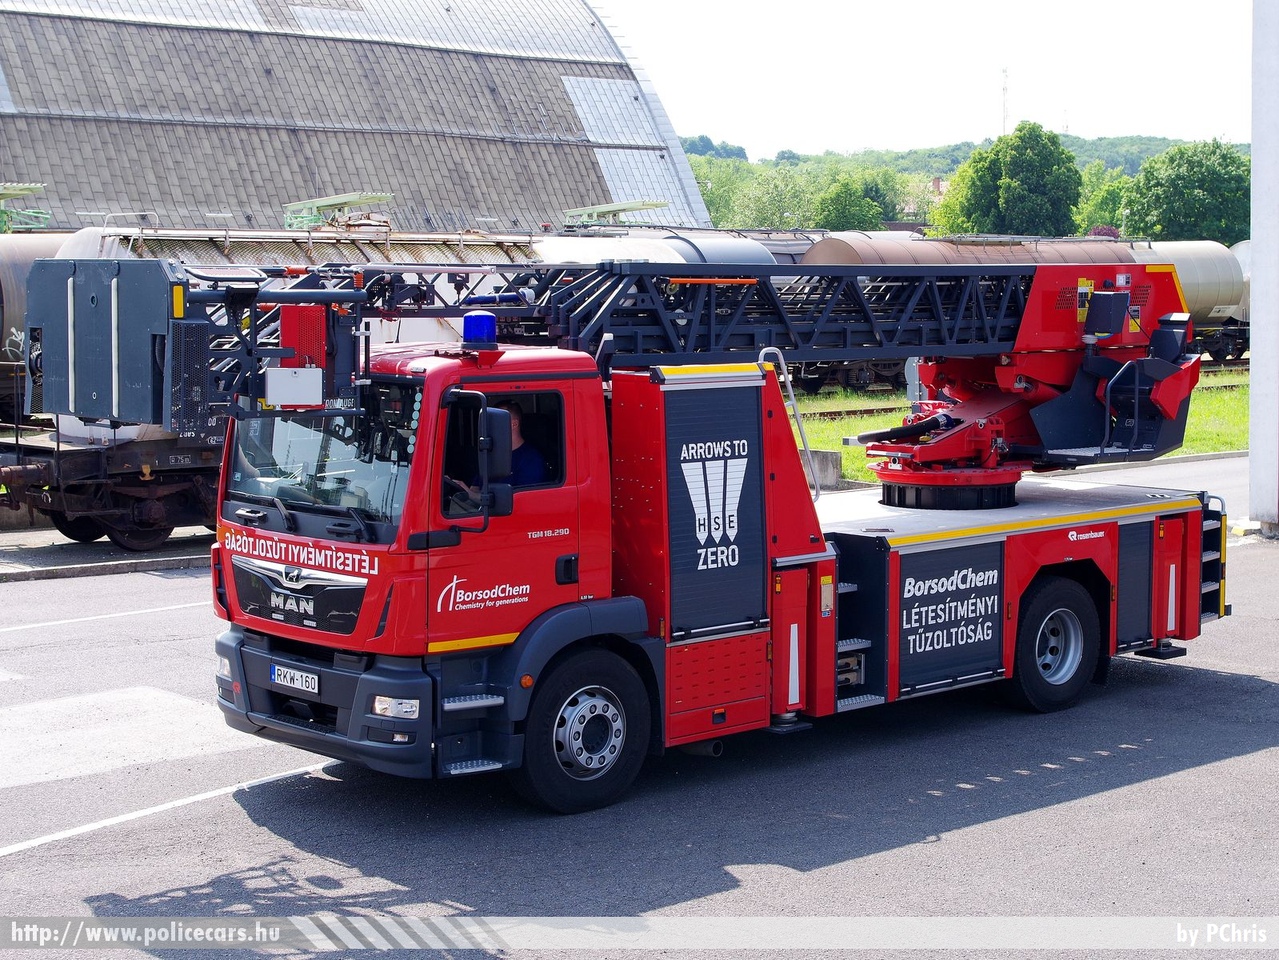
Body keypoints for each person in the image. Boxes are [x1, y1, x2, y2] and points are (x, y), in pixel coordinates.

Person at [445, 400, 547, 502]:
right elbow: (475, 489)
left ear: (514, 424)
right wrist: (463, 490)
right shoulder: (490, 455)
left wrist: (470, 494)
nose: (491, 425)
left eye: (496, 420)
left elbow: (518, 502)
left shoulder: (532, 460)